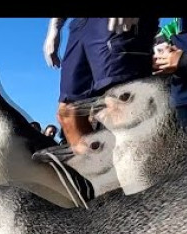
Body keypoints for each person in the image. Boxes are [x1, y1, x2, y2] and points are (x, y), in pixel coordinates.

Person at [44, 17, 159, 150]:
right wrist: (54, 27)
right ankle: (95, 167)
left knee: (121, 101)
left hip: (111, 22)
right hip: (79, 24)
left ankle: (140, 167)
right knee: (69, 112)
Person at [153, 17, 187, 130]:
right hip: (183, 106)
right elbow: (159, 44)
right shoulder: (174, 25)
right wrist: (158, 58)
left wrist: (185, 61)